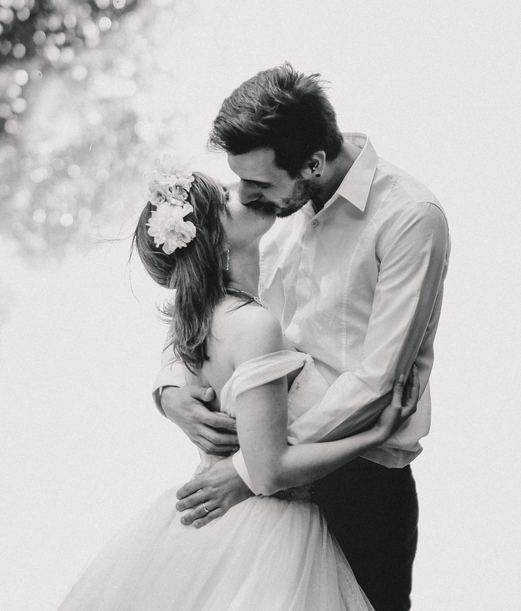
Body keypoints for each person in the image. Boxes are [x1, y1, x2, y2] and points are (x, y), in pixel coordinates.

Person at [155, 65, 450, 611]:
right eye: (239, 179)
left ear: (313, 164)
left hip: (358, 482)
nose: (245, 196)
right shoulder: (274, 202)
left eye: (259, 184)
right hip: (262, 468)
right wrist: (171, 389)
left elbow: (378, 379)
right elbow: (212, 294)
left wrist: (255, 468)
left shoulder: (410, 218)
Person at [56, 166, 418, 611]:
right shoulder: (251, 322)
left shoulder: (196, 316)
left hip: (239, 516)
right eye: (226, 196)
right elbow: (270, 470)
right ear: (213, 241)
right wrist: (376, 433)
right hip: (269, 525)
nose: (242, 190)